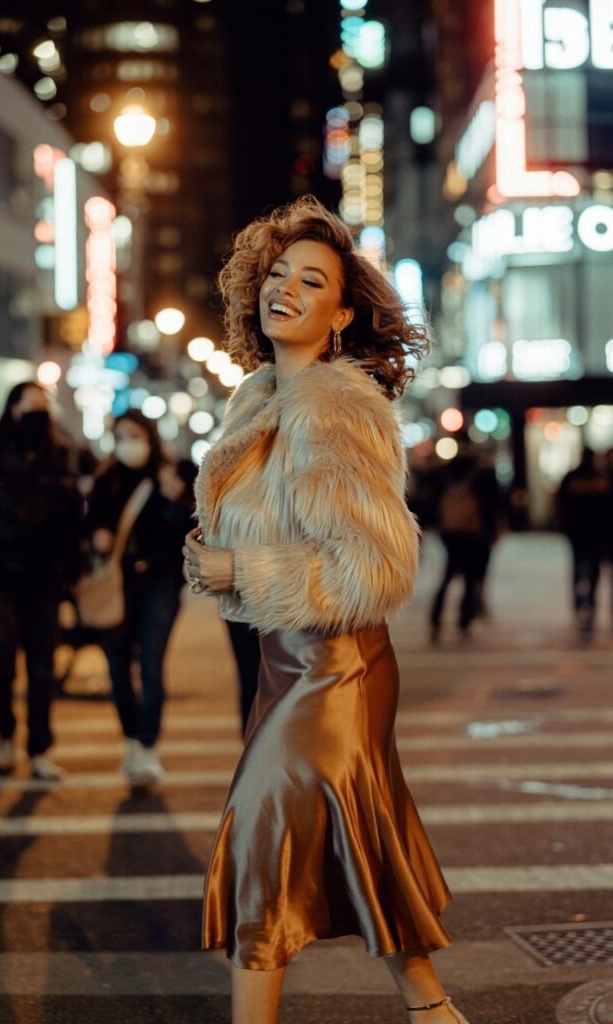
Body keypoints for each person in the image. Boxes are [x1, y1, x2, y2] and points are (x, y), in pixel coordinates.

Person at [183, 197, 469, 1024]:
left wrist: (246, 567)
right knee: (355, 842)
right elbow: (253, 543)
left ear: (341, 314)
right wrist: (216, 563)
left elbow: (375, 567)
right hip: (286, 664)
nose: (286, 289)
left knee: (261, 845)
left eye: (311, 281)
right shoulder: (258, 399)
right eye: (277, 273)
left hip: (338, 667)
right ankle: (431, 1009)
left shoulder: (338, 408)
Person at [0, 381, 81, 780]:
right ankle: (5, 736)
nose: (38, 415)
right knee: (1, 660)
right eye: (30, 406)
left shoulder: (62, 455)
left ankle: (38, 748)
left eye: (43, 407)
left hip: (45, 577)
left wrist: (73, 572)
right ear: (12, 409)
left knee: (42, 667)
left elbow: (73, 519)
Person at [85, 410, 193, 786]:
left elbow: (189, 530)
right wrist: (98, 536)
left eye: (135, 435)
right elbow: (91, 525)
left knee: (150, 664)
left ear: (149, 437)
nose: (129, 443)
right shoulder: (107, 479)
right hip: (119, 583)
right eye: (122, 435)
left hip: (159, 583)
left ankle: (148, 748)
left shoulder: (172, 476)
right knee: (117, 667)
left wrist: (173, 498)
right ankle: (130, 739)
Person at [429, 440, 497, 640]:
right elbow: (490, 503)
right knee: (469, 575)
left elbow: (432, 499)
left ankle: (436, 616)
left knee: (448, 574)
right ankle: (464, 618)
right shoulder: (479, 472)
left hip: (450, 531)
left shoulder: (444, 472)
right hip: (472, 531)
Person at [557, 447, 610, 636]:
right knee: (593, 569)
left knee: (579, 567)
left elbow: (561, 504)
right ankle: (589, 603)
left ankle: (580, 603)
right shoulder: (601, 479)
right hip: (596, 534)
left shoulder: (572, 478)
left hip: (578, 533)